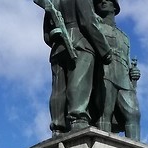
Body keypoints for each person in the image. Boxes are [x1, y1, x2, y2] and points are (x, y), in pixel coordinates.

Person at [40, 0, 113, 134]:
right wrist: (105, 50)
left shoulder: (52, 1)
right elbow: (87, 22)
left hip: (58, 48)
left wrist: (57, 37)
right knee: (79, 81)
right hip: (80, 43)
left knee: (58, 89)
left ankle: (57, 126)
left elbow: (46, 35)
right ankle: (78, 120)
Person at [91, 0, 140, 140]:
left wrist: (133, 74)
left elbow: (127, 59)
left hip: (124, 77)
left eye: (108, 0)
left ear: (115, 7)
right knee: (105, 111)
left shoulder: (124, 37)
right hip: (104, 71)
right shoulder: (96, 27)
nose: (103, 2)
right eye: (100, 1)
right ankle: (102, 147)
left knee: (134, 113)